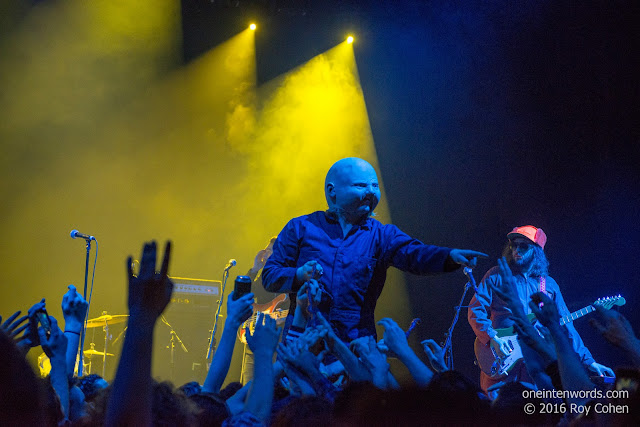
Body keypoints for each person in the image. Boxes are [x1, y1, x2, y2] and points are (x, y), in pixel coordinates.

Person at [262, 157, 486, 342]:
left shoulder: (382, 235)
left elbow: (414, 254)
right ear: (332, 192)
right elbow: (270, 276)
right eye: (361, 185)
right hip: (303, 341)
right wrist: (300, 274)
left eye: (375, 186)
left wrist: (449, 257)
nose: (370, 192)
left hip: (356, 344)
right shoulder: (301, 228)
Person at [467, 225, 614, 395]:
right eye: (514, 245)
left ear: (537, 251)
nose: (516, 249)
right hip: (501, 366)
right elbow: (475, 311)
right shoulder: (496, 275)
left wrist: (589, 362)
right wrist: (492, 337)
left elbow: (567, 327)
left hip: (534, 371)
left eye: (524, 246)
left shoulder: (548, 285)